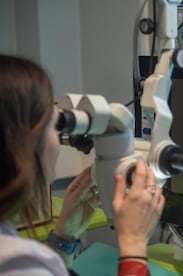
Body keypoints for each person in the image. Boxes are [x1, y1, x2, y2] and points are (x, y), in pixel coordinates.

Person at [0, 54, 165, 275]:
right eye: (54, 122)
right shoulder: (17, 264)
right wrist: (133, 244)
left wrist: (65, 236)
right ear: (24, 143)